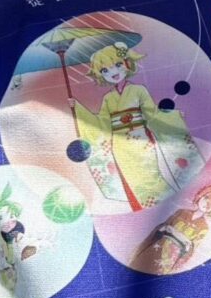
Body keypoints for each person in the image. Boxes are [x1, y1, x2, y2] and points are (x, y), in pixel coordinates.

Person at [74, 42, 201, 211]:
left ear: (127, 63)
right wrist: (77, 108)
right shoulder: (108, 99)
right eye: (105, 70)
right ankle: (145, 211)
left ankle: (163, 208)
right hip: (120, 146)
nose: (113, 72)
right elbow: (102, 124)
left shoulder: (138, 90)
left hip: (141, 140)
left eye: (117, 65)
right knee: (133, 179)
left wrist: (172, 117)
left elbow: (152, 114)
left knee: (151, 175)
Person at [132, 179, 211, 274]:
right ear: (200, 196)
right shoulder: (181, 212)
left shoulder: (204, 227)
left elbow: (191, 248)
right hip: (159, 245)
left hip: (172, 256)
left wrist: (174, 235)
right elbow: (162, 227)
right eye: (206, 197)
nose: (208, 203)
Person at [0, 182, 46, 298]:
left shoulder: (21, 232)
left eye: (11, 216)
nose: (8, 222)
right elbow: (2, 257)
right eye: (0, 218)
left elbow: (35, 242)